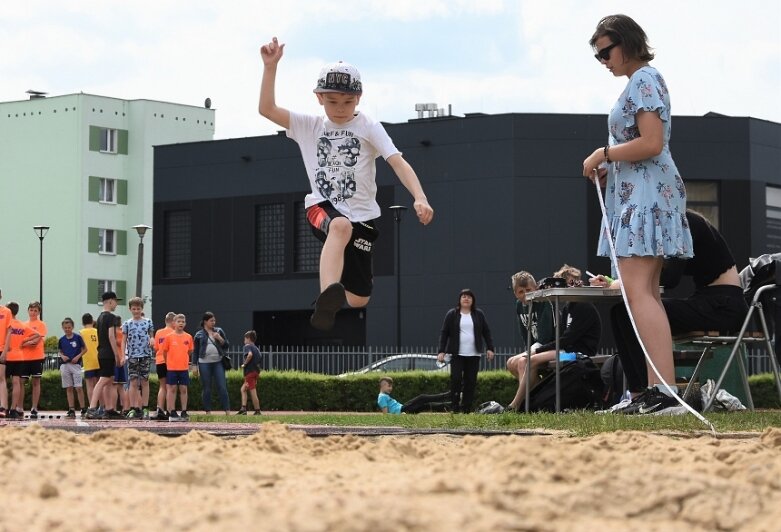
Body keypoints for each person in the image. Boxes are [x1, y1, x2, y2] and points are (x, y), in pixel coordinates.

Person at [258, 36, 434, 332]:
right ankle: (327, 295)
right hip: (322, 207)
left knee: (358, 299)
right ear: (319, 98)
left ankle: (338, 294)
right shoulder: (308, 125)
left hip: (363, 216)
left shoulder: (368, 126)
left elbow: (396, 161)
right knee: (340, 227)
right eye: (332, 101)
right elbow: (267, 109)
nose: (339, 109)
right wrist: (270, 67)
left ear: (359, 98)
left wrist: (420, 196)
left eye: (347, 102)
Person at [582, 14, 693, 415]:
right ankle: (656, 390)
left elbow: (651, 142)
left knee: (637, 291)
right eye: (598, 56)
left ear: (626, 43)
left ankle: (663, 391)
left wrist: (605, 153)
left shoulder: (645, 80)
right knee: (644, 293)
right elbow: (645, 147)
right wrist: (612, 165)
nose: (603, 61)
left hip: (646, 198)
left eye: (605, 52)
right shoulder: (642, 81)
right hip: (639, 193)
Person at [593, 210, 748, 412]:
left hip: (724, 306)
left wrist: (623, 282)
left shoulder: (684, 223)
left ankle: (650, 393)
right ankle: (639, 394)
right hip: (708, 301)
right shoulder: (678, 222)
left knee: (625, 313)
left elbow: (670, 278)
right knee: (621, 313)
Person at [506, 266, 602, 411]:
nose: (572, 287)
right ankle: (535, 400)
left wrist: (539, 350)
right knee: (523, 361)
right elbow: (563, 338)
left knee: (527, 361)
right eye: (567, 284)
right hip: (565, 351)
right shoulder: (568, 307)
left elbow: (567, 340)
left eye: (574, 283)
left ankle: (516, 405)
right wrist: (539, 350)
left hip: (578, 354)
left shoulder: (585, 307)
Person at [436, 289, 495, 413]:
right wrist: (441, 351)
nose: (466, 299)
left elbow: (486, 332)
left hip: (474, 354)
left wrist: (490, 348)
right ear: (459, 300)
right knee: (456, 379)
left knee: (470, 381)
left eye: (469, 297)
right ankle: (455, 406)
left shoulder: (479, 314)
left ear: (473, 300)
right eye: (463, 297)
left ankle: (466, 408)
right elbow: (444, 333)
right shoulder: (452, 314)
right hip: (457, 354)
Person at [506, 271, 555, 385]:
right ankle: (539, 393)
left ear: (536, 288)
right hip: (536, 347)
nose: (525, 294)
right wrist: (529, 349)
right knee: (510, 363)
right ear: (515, 293)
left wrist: (531, 352)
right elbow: (525, 333)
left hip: (550, 346)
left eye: (528, 290)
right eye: (521, 292)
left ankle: (527, 400)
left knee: (520, 362)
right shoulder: (519, 305)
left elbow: (545, 337)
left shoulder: (544, 302)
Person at [85, 292, 124, 420]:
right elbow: (111, 336)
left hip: (101, 352)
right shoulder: (111, 317)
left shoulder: (100, 317)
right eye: (115, 301)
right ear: (110, 301)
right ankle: (91, 408)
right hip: (108, 353)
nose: (116, 304)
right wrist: (116, 354)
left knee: (109, 380)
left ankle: (109, 408)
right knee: (104, 380)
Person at [3, 302, 40, 419]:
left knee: (2, 382)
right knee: (16, 383)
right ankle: (14, 409)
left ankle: (4, 407)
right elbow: (37, 334)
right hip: (19, 356)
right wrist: (23, 342)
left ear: (8, 311)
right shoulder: (21, 324)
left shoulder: (6, 323)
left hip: (6, 355)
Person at [122, 297, 155, 419]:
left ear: (142, 309)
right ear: (130, 309)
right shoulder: (127, 323)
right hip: (132, 355)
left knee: (145, 381)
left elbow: (151, 334)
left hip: (145, 354)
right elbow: (124, 340)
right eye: (134, 309)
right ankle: (133, 408)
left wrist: (152, 339)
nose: (136, 311)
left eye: (138, 309)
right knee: (133, 382)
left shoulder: (148, 321)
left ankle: (145, 407)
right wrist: (122, 355)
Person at [193, 311, 230, 415]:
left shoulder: (219, 331)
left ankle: (227, 410)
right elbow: (195, 351)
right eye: (211, 320)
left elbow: (226, 345)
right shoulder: (199, 334)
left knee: (222, 386)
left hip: (218, 362)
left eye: (214, 320)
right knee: (207, 388)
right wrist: (194, 365)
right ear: (205, 321)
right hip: (204, 363)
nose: (213, 322)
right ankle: (208, 411)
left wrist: (220, 338)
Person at [161, 314, 193, 421]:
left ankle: (184, 411)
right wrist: (168, 363)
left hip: (183, 368)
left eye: (183, 322)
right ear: (174, 323)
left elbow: (190, 351)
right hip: (172, 368)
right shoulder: (169, 337)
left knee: (183, 389)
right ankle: (172, 411)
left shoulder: (188, 337)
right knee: (172, 389)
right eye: (179, 321)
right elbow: (164, 352)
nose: (181, 323)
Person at [58, 317, 87, 418]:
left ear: (72, 327)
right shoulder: (61, 340)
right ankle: (71, 409)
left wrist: (78, 356)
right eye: (65, 328)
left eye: (69, 327)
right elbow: (60, 351)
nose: (67, 329)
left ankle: (83, 408)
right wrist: (62, 356)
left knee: (78, 387)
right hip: (65, 365)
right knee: (69, 387)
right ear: (63, 328)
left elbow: (85, 349)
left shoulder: (78, 338)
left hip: (76, 365)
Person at [377, 376, 451, 415]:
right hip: (403, 410)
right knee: (422, 397)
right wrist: (401, 415)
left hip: (403, 409)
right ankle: (448, 395)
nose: (391, 388)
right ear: (382, 385)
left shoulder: (384, 396)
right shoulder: (382, 397)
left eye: (391, 386)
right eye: (389, 386)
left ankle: (451, 406)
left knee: (427, 405)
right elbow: (386, 415)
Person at [24, 301, 47, 419]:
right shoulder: (24, 324)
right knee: (21, 383)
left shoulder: (41, 324)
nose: (33, 312)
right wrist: (28, 340)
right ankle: (18, 407)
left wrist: (26, 341)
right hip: (24, 358)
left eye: (35, 310)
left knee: (36, 382)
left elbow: (35, 341)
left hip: (37, 357)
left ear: (39, 312)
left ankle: (34, 407)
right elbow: (21, 340)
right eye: (31, 310)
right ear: (28, 310)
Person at [153, 312, 176, 420]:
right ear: (172, 322)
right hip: (169, 362)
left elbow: (156, 348)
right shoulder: (174, 333)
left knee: (162, 386)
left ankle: (160, 409)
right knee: (170, 387)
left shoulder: (158, 332)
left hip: (159, 361)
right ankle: (170, 410)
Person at [237, 330, 262, 415]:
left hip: (249, 372)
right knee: (243, 389)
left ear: (248, 339)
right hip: (255, 372)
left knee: (252, 391)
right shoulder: (257, 349)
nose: (244, 341)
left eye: (245, 339)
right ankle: (243, 408)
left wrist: (244, 364)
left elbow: (250, 355)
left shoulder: (247, 346)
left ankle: (257, 410)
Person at [80, 313, 100, 409]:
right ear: (92, 321)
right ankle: (101, 406)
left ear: (83, 322)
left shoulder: (81, 332)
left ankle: (92, 407)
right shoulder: (97, 331)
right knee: (99, 385)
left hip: (88, 361)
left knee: (89, 386)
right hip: (99, 360)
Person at [0, 290, 12, 417]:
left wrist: (5, 351)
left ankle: (3, 407)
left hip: (1, 349)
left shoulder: (6, 311)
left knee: (1, 377)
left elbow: (9, 332)